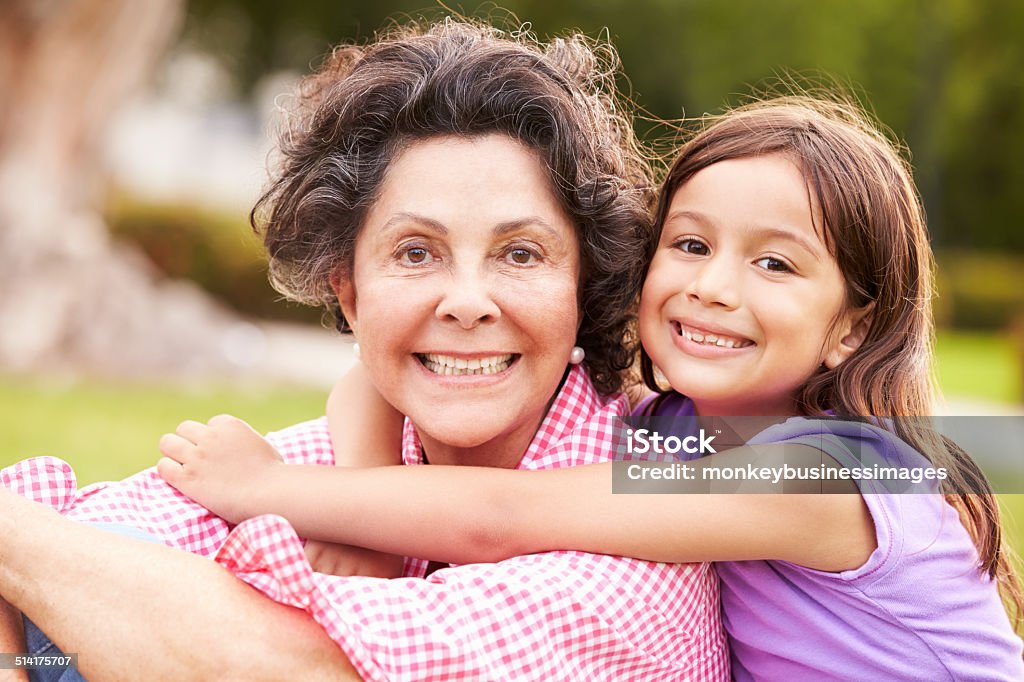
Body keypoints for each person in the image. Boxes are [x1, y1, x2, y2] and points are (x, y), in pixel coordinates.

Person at [159, 96, 1024, 680]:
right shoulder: (685, 428)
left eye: (773, 263)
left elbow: (496, 518)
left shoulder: (817, 472)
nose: (714, 286)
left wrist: (270, 489)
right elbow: (373, 376)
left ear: (853, 326)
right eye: (690, 245)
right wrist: (369, 510)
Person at [0, 18, 730, 681]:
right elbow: (68, 547)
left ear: (584, 284)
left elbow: (281, 667)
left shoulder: (645, 540)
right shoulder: (341, 456)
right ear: (348, 291)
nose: (468, 301)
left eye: (520, 254)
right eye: (416, 252)